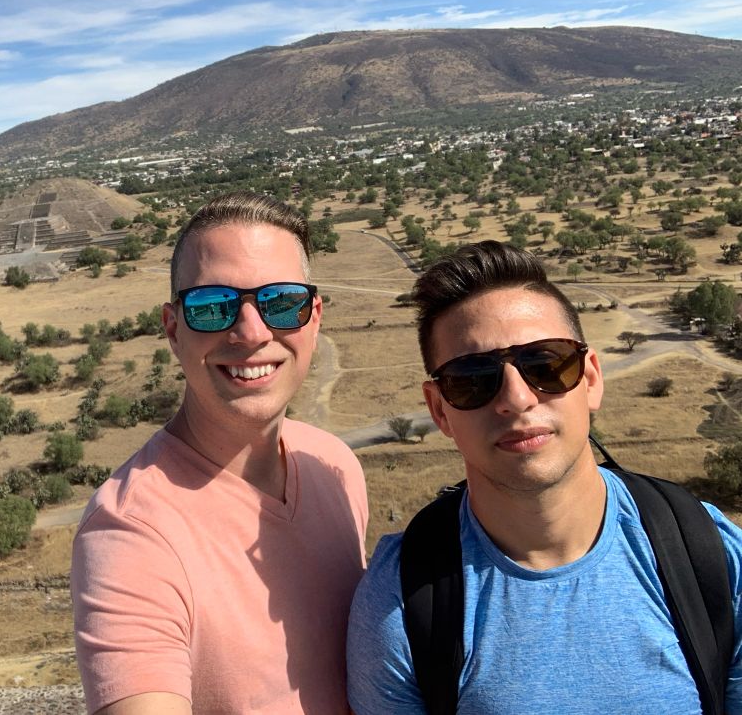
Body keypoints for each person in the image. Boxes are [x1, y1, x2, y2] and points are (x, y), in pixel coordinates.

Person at [347, 240, 742, 713]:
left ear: (591, 378)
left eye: (545, 364)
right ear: (440, 410)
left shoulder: (708, 553)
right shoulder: (401, 602)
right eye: (472, 378)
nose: (516, 398)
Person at [71, 192, 368, 714]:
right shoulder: (130, 533)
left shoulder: (335, 466)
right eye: (213, 307)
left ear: (314, 317)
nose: (251, 333)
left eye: (281, 302)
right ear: (172, 328)